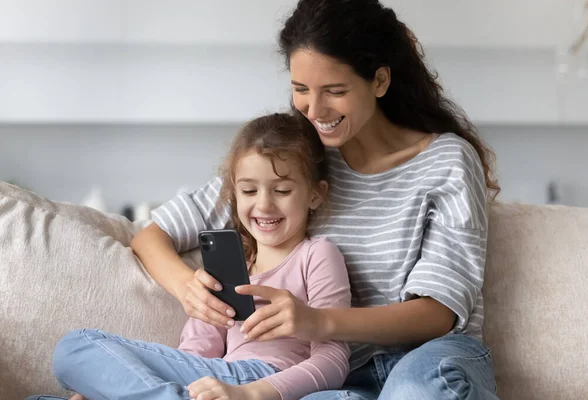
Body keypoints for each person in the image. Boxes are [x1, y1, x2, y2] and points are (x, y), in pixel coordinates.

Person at [127, 0, 502, 399]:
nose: (315, 110)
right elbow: (151, 237)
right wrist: (188, 287)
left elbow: (438, 313)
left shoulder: (446, 160)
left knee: (414, 391)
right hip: (332, 373)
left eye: (335, 91)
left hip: (428, 356)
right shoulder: (299, 159)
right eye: (301, 89)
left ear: (379, 81)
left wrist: (318, 322)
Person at [26, 113, 352, 400]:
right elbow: (195, 354)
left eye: (281, 190)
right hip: (212, 381)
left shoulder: (317, 255)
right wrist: (113, 385)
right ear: (233, 195)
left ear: (314, 194)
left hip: (262, 382)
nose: (264, 204)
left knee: (76, 345)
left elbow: (333, 360)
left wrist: (252, 394)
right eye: (250, 191)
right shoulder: (228, 264)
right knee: (63, 371)